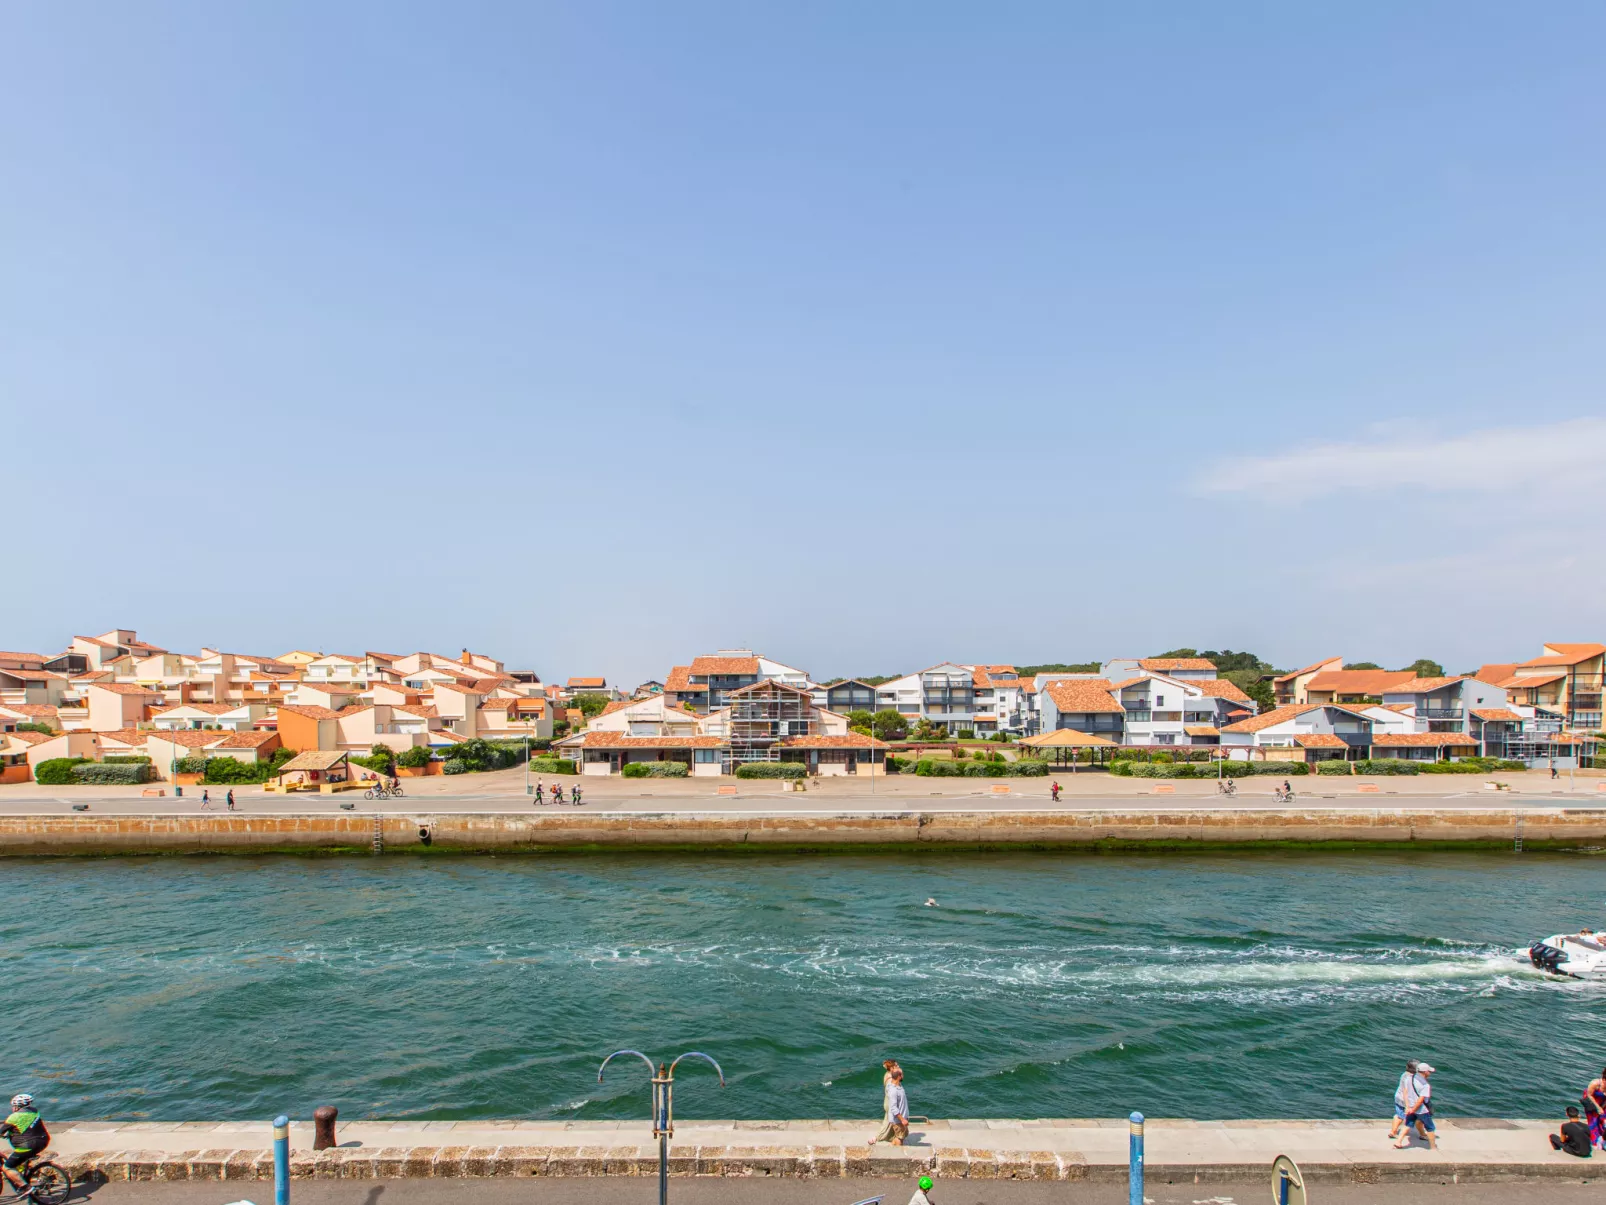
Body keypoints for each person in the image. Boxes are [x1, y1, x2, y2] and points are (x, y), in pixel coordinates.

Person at [0, 1094, 49, 1191]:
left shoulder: (13, 1118)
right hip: (43, 1141)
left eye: (13, 1106)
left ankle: (26, 1188)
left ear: (17, 1106)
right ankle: (25, 1176)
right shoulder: (35, 1111)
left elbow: (1, 1131)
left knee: (7, 1168)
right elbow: (27, 1127)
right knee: (21, 1160)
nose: (12, 1108)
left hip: (27, 1146)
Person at [1395, 1063, 1437, 1149]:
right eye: (1429, 1071)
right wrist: (1414, 1109)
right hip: (1422, 1110)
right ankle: (1433, 1147)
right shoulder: (1425, 1085)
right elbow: (1420, 1100)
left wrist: (1407, 1107)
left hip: (1410, 1107)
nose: (1430, 1073)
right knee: (1430, 1127)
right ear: (1425, 1072)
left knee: (1408, 1124)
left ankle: (1398, 1142)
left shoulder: (1409, 1078)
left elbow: (1405, 1092)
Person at [1388, 1059, 1420, 1140]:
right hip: (1407, 1101)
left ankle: (1393, 1132)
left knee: (1399, 1115)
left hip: (1398, 1097)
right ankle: (1423, 1134)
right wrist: (1407, 1105)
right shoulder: (1413, 1078)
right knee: (1415, 1118)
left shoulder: (1404, 1074)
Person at [871, 1060, 902, 1144]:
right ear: (892, 1068)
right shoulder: (891, 1079)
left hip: (888, 1102)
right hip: (890, 1103)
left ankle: (892, 1137)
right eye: (896, 1066)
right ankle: (877, 1137)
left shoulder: (888, 1075)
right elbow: (892, 1092)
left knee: (891, 1121)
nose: (898, 1067)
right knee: (888, 1122)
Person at [1580, 1067, 1606, 1147]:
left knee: (1603, 1119)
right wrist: (1598, 1108)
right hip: (1592, 1102)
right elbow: (1589, 1095)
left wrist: (1602, 1108)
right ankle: (1595, 1141)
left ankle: (1603, 1136)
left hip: (1603, 1102)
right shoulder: (1595, 1083)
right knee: (1594, 1122)